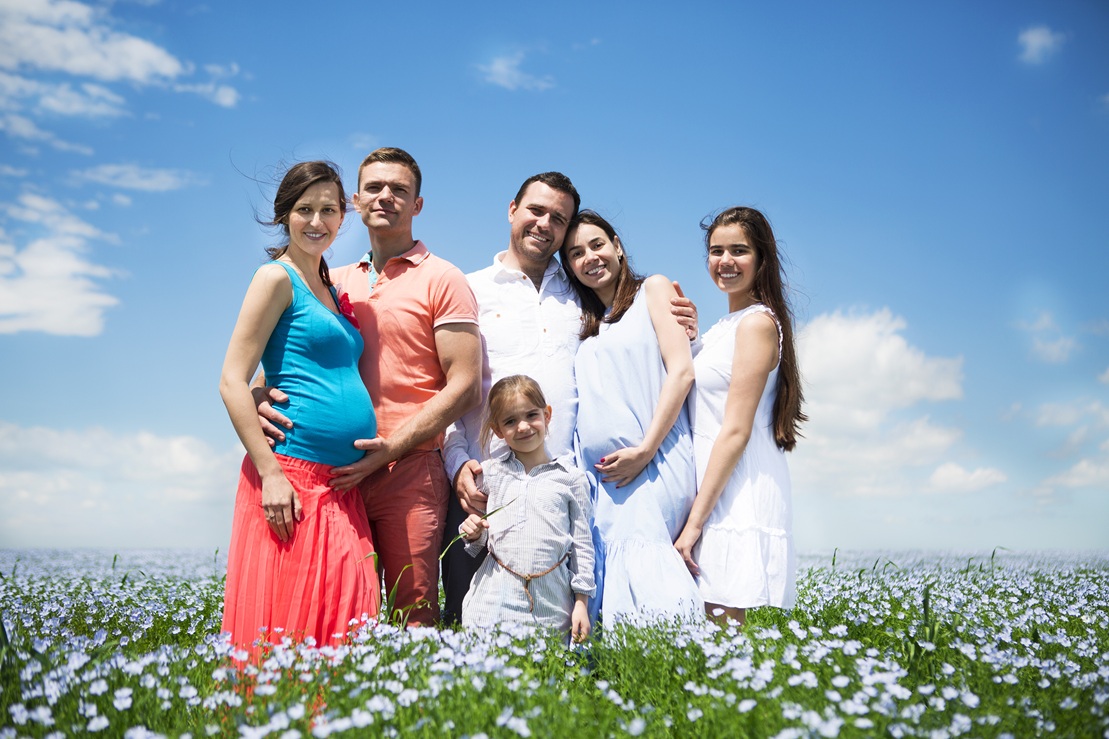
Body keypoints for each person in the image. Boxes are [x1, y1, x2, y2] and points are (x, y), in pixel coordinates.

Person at [441, 176, 701, 626]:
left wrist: (685, 325)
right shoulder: (469, 288)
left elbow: (637, 334)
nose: (544, 224)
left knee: (561, 628)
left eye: (558, 219)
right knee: (470, 620)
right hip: (486, 487)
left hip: (564, 491)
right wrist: (456, 460)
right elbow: (442, 380)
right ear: (512, 209)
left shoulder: (580, 297)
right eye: (536, 211)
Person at [257, 148, 482, 626]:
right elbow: (288, 358)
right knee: (335, 611)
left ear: (417, 205)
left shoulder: (445, 278)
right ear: (355, 202)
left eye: (400, 190)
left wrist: (389, 449)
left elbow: (464, 386)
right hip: (331, 475)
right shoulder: (329, 281)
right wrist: (259, 397)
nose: (387, 197)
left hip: (409, 469)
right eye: (375, 188)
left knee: (412, 611)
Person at [219, 161, 379, 653]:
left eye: (328, 210)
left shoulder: (330, 288)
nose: (317, 221)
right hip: (291, 478)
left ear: (342, 216)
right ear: (284, 215)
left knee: (351, 614)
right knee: (291, 625)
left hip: (339, 485)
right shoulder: (275, 277)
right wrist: (270, 474)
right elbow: (231, 379)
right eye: (304, 209)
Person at [560, 210, 703, 624]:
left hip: (654, 460)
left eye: (597, 244)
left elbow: (682, 372)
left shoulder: (652, 291)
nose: (590, 257)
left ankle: (670, 667)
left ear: (618, 246)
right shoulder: (591, 325)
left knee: (648, 573)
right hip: (604, 479)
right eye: (575, 253)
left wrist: (644, 450)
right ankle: (619, 675)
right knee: (610, 576)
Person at [673, 206, 806, 625]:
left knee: (723, 635)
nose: (725, 261)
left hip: (735, 492)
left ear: (762, 258)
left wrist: (694, 522)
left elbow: (736, 430)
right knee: (711, 633)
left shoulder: (758, 325)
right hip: (713, 487)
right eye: (716, 251)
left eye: (739, 251)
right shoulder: (724, 327)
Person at [458, 375, 595, 643]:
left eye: (531, 415)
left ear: (547, 415)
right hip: (492, 600)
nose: (523, 426)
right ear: (498, 430)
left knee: (543, 677)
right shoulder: (490, 474)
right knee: (487, 676)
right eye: (510, 421)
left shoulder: (571, 478)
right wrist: (472, 532)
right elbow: (487, 539)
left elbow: (582, 546)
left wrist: (581, 603)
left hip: (550, 603)